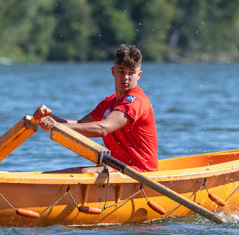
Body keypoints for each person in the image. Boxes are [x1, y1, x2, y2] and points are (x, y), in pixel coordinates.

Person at [34, 44, 158, 172]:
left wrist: (57, 126)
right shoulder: (109, 101)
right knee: (64, 173)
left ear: (139, 75)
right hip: (118, 169)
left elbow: (103, 128)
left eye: (131, 73)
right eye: (121, 71)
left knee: (84, 173)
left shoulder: (136, 101)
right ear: (113, 71)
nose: (125, 77)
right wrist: (50, 118)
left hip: (141, 173)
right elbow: (81, 124)